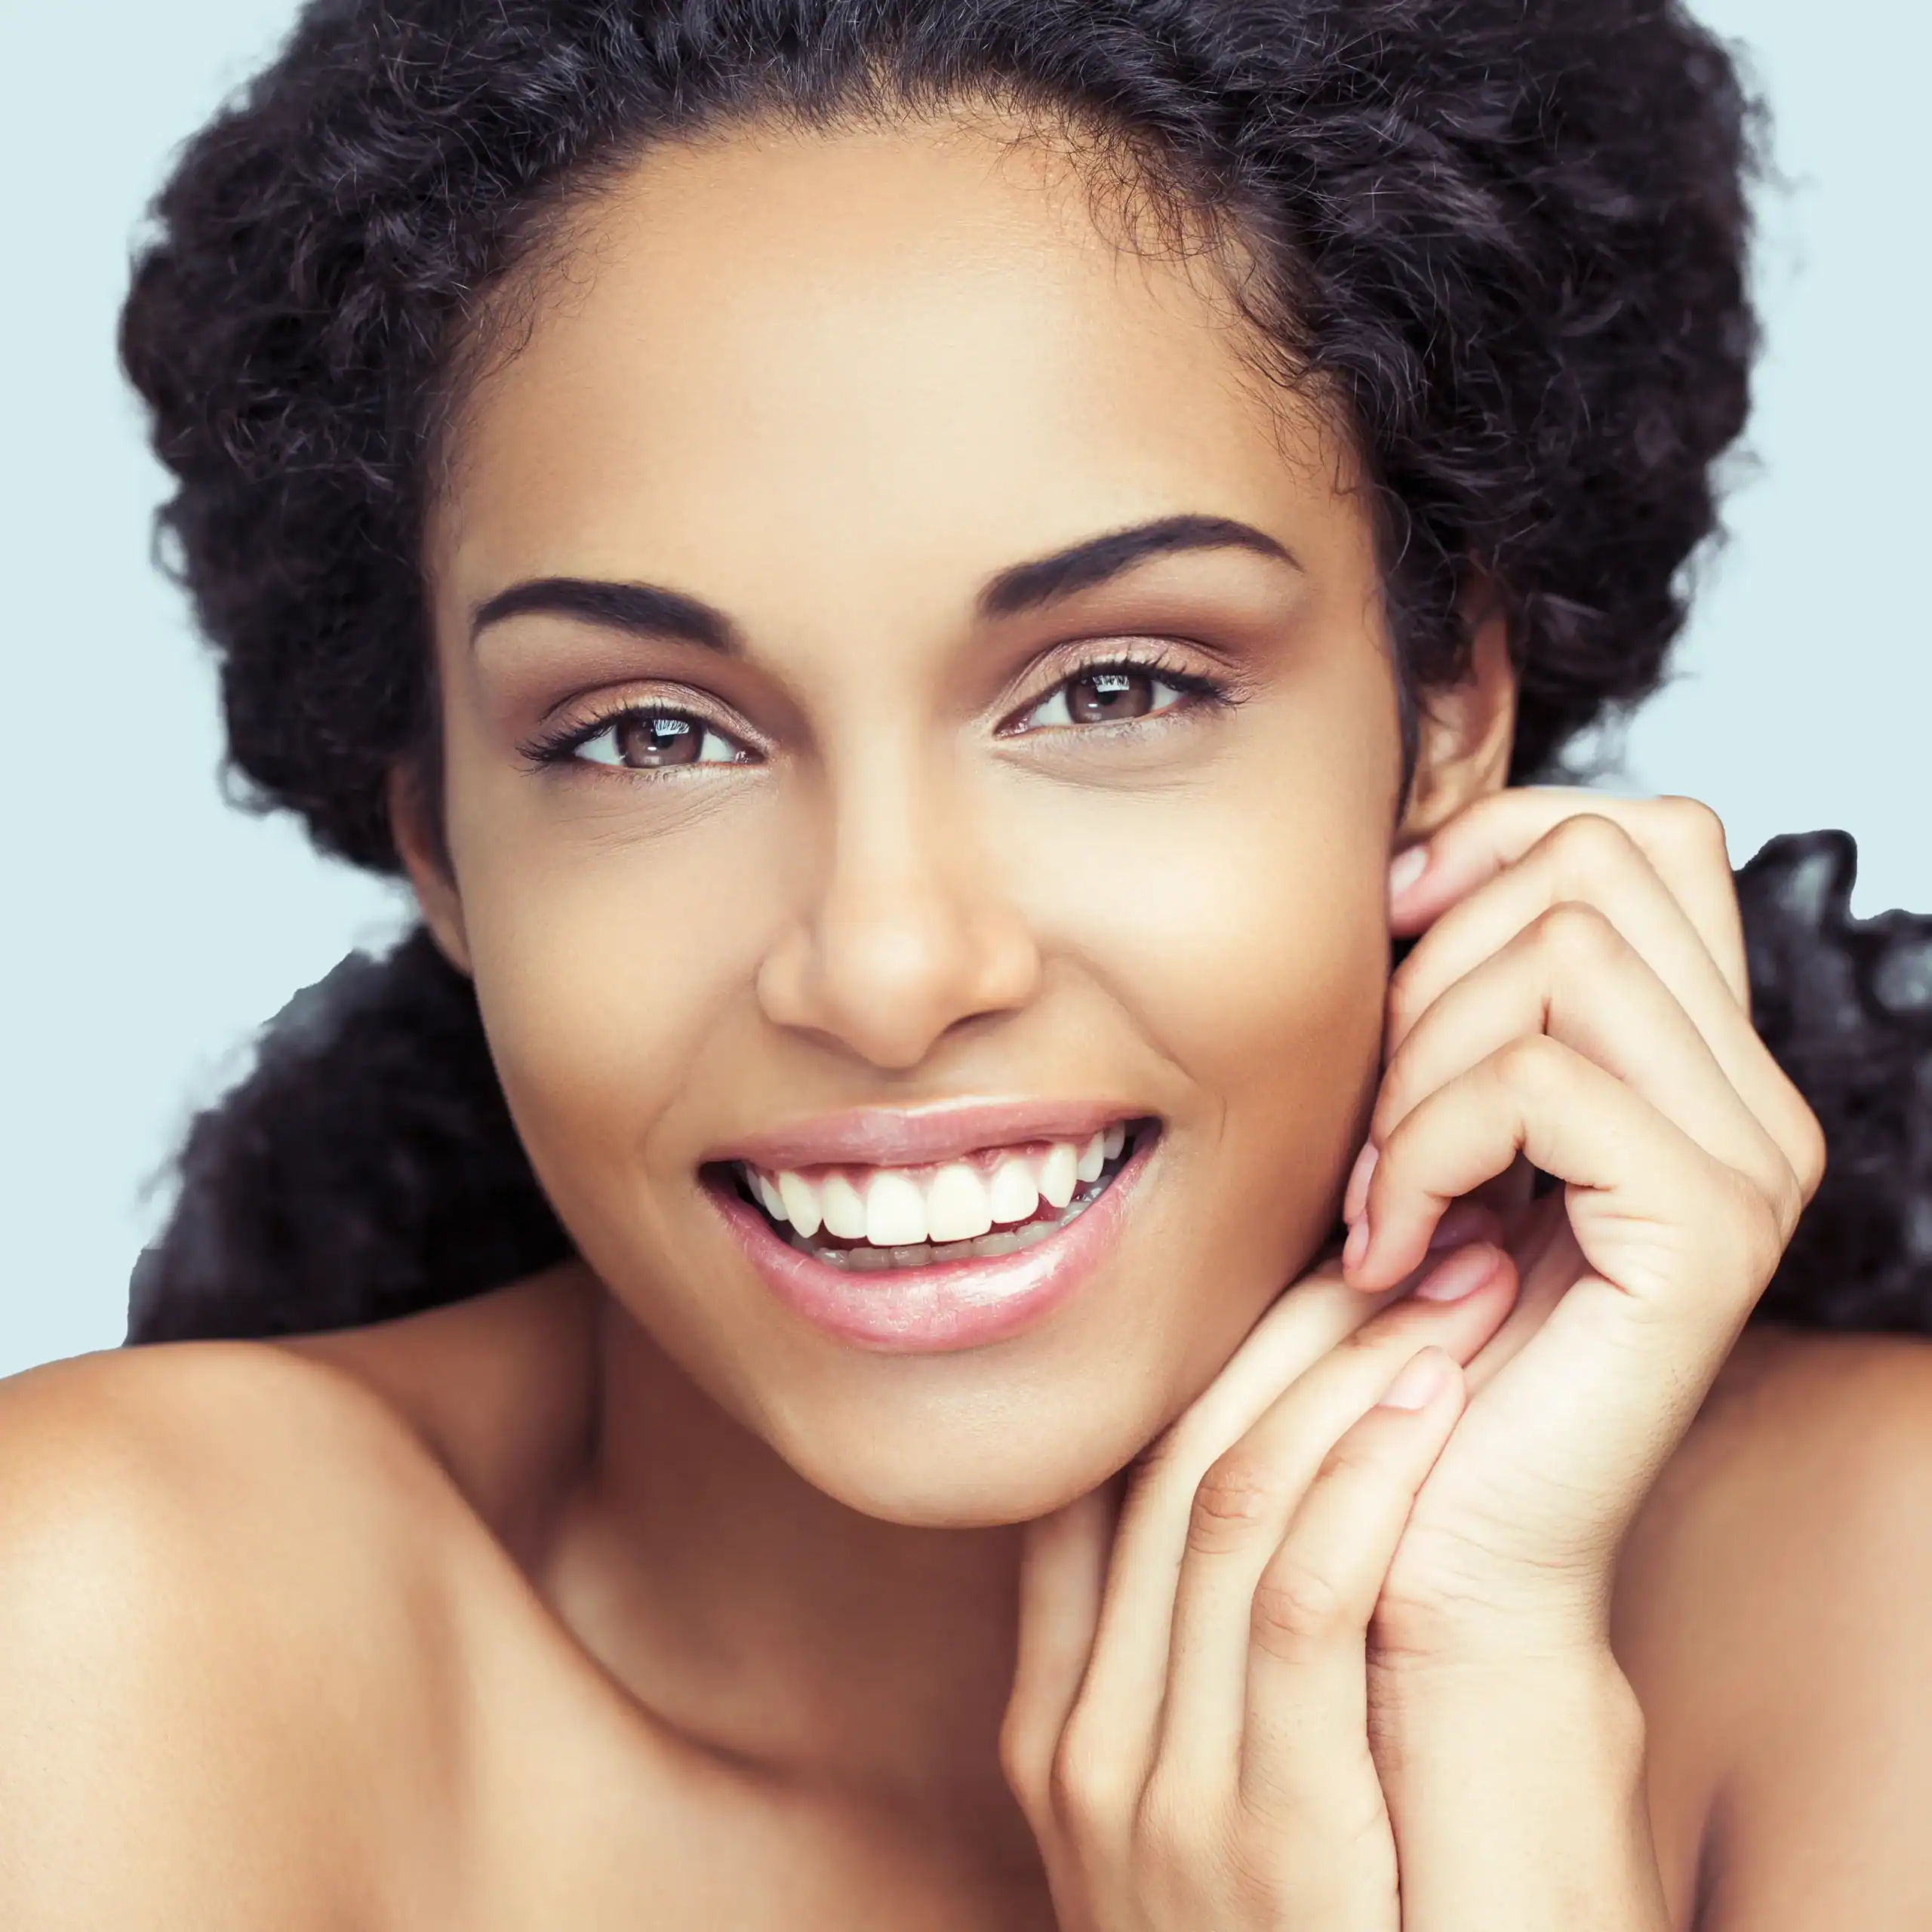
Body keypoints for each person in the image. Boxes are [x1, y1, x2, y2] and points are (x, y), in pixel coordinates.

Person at [5, 0, 1930, 1923]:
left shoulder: (1872, 1608)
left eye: (1111, 688)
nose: (888, 965)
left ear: (1441, 709)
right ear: (435, 831)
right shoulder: (103, 1635)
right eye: (648, 732)